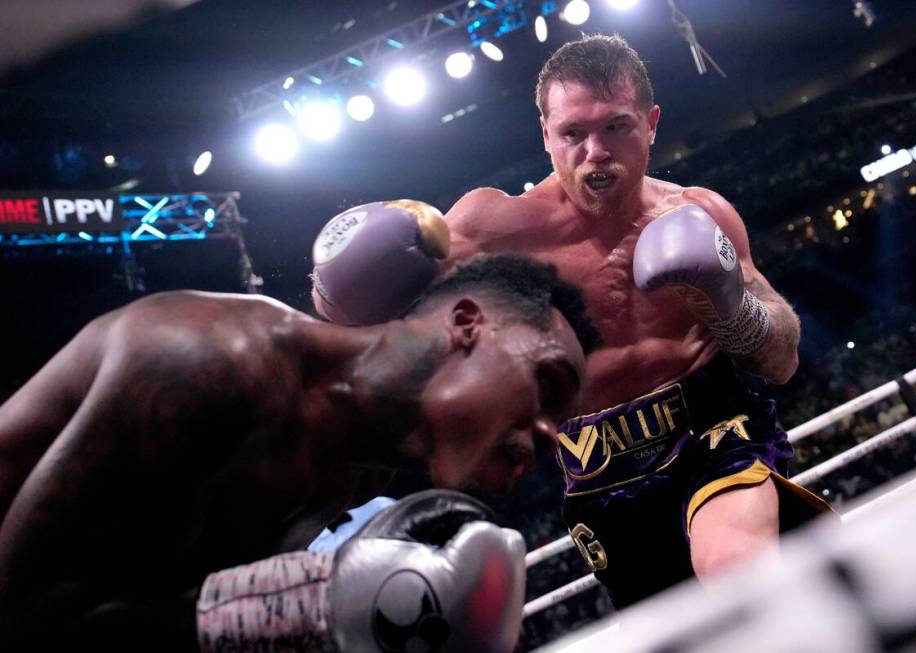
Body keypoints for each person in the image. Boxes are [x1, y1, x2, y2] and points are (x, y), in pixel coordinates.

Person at [311, 37, 832, 609]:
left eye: (616, 127)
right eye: (573, 134)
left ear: (652, 123)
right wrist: (342, 286)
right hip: (596, 475)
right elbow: (361, 321)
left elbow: (782, 361)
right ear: (546, 135)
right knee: (677, 625)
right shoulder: (493, 228)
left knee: (737, 570)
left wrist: (731, 305)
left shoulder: (700, 213)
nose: (595, 152)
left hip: (715, 431)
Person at [0, 251, 599, 651]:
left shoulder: (349, 475)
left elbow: (153, 614)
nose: (549, 434)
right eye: (546, 384)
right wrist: (303, 609)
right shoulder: (210, 360)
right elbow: (22, 614)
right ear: (466, 322)